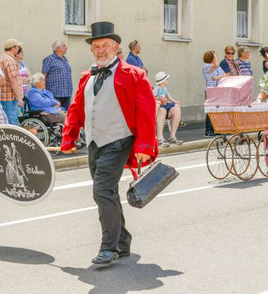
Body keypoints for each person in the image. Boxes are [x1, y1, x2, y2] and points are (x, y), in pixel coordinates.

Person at [61, 22, 157, 265]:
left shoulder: (134, 74)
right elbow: (75, 109)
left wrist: (145, 146)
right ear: (91, 50)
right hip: (95, 142)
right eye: (96, 46)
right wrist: (69, 137)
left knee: (102, 191)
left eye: (105, 45)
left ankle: (109, 247)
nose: (100, 50)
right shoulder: (87, 76)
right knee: (107, 192)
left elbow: (146, 111)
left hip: (119, 140)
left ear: (116, 47)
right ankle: (122, 241)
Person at [0, 39, 24, 125]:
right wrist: (19, 97)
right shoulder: (10, 60)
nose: (18, 49)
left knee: (5, 121)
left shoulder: (1, 59)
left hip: (3, 96)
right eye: (18, 47)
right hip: (10, 98)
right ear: (13, 48)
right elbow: (13, 80)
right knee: (12, 124)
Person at [153, 71, 183, 145]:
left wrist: (175, 101)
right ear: (163, 81)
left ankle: (172, 136)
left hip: (166, 105)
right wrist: (159, 100)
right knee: (162, 110)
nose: (167, 80)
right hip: (160, 106)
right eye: (167, 79)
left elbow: (168, 96)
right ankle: (160, 138)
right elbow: (153, 97)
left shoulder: (165, 88)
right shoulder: (156, 89)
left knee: (177, 109)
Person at [42, 40, 73, 110]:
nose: (66, 47)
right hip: (55, 93)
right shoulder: (49, 59)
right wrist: (44, 92)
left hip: (67, 93)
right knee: (55, 115)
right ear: (58, 48)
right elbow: (43, 75)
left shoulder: (65, 59)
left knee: (66, 115)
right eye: (64, 46)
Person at [203, 50, 227, 137]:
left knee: (217, 110)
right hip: (211, 90)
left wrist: (217, 77)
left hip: (218, 90)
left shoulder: (217, 68)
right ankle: (208, 130)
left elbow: (225, 75)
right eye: (215, 56)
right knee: (211, 110)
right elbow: (216, 65)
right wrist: (214, 54)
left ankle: (215, 129)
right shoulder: (206, 66)